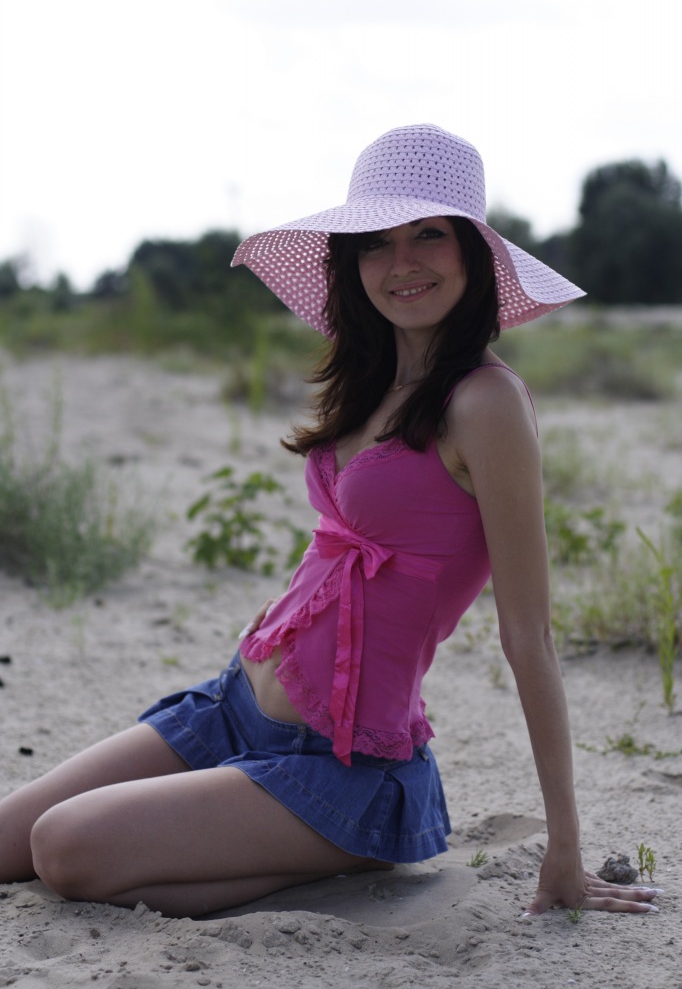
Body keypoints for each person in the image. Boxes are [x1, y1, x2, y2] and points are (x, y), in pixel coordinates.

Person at [0, 124, 661, 920]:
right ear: (352, 262)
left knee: (63, 848)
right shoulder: (372, 381)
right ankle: (290, 843)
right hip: (232, 704)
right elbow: (344, 548)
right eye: (376, 242)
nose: (402, 262)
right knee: (9, 837)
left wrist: (565, 850)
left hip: (342, 763)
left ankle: (349, 846)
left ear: (474, 251)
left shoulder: (487, 404)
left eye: (429, 234)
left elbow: (531, 636)